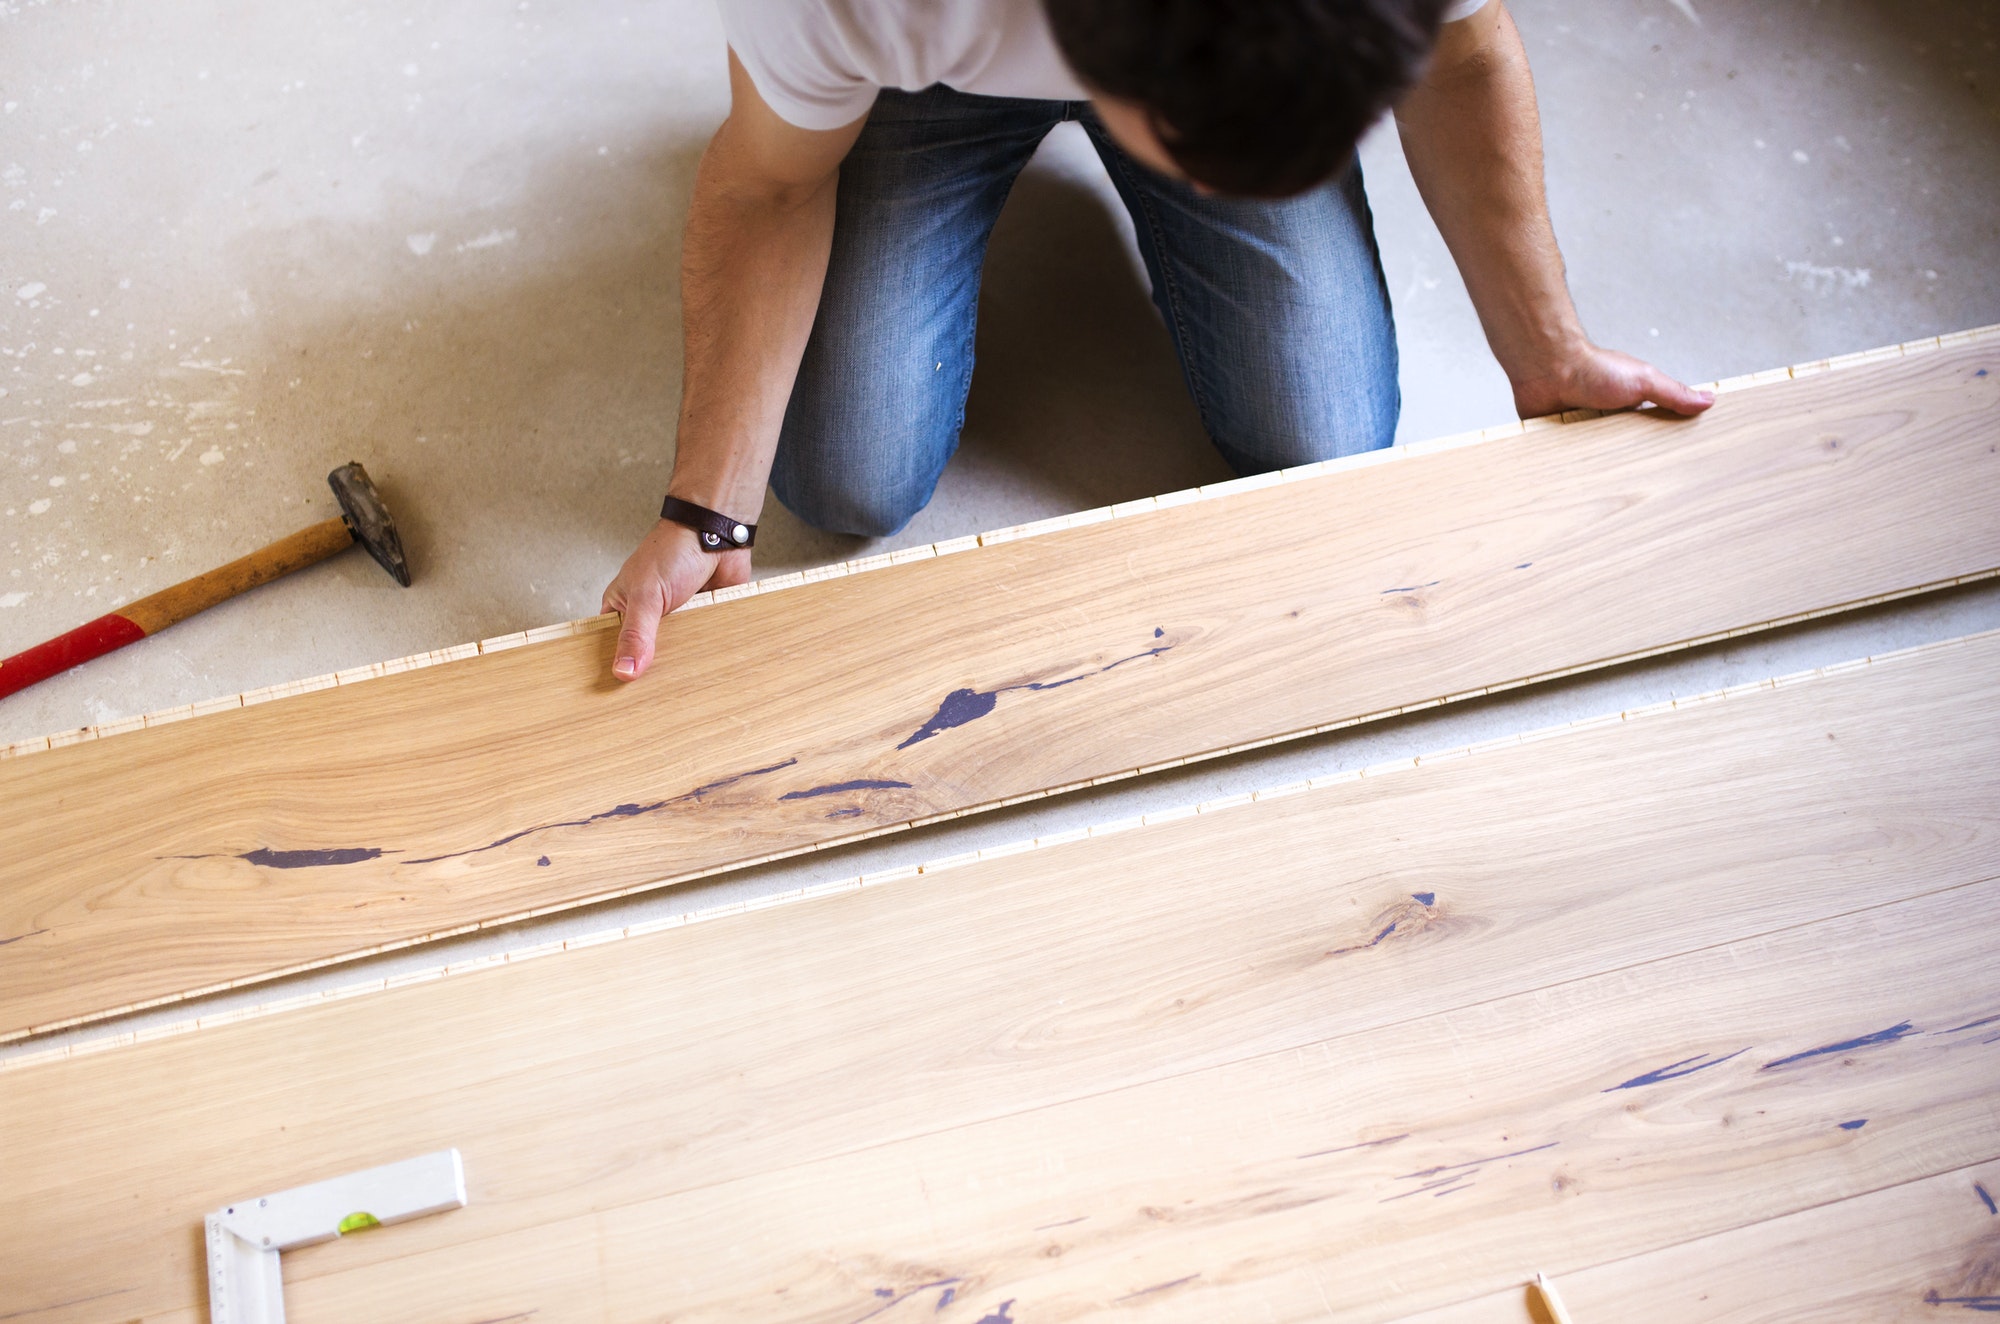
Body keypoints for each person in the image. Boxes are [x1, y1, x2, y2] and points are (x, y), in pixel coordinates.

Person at [602, 0, 1713, 681]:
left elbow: (1463, 62)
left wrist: (1546, 351)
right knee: (849, 475)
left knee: (1322, 445)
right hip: (922, 75)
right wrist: (704, 510)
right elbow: (766, 192)